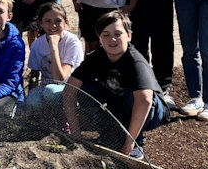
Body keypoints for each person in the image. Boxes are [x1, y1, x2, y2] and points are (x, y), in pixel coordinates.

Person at [62, 11, 168, 158]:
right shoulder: (95, 57)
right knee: (85, 89)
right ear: (99, 38)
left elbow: (145, 100)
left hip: (151, 111)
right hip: (117, 102)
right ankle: (109, 133)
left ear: (129, 36)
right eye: (105, 35)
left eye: (118, 34)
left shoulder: (136, 61)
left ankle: (136, 140)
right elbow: (69, 91)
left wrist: (129, 143)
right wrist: (75, 133)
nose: (112, 39)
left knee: (135, 96)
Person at [25, 2, 84, 110]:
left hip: (70, 87)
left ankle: (66, 120)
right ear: (41, 24)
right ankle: (44, 121)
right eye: (48, 21)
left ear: (66, 23)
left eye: (58, 21)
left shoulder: (72, 43)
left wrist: (53, 46)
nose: (53, 26)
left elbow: (60, 79)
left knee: (50, 92)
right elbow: (34, 75)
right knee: (32, 100)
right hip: (46, 85)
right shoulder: (37, 45)